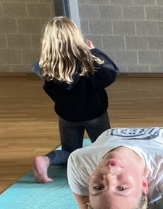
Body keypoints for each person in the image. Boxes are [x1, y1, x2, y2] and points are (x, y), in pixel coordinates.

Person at [31, 16, 119, 183]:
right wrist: (94, 52)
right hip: (94, 115)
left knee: (70, 154)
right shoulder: (89, 62)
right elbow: (111, 73)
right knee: (106, 150)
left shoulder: (45, 66)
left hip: (67, 117)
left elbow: (49, 89)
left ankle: (46, 160)